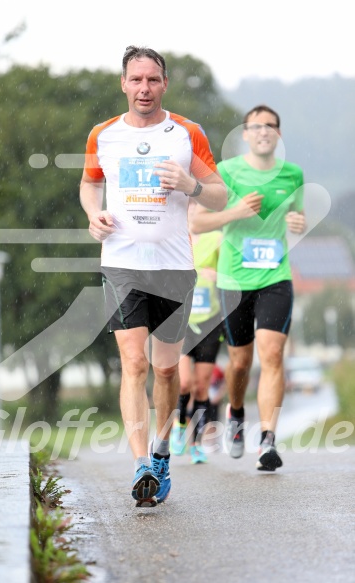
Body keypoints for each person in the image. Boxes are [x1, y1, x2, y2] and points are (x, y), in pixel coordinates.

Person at [79, 46, 227, 506]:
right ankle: (141, 463)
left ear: (165, 84)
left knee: (166, 371)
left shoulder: (186, 133)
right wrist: (92, 214)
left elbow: (221, 197)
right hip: (123, 263)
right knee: (134, 363)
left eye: (153, 80)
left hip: (174, 269)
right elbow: (90, 182)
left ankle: (162, 452)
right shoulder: (103, 135)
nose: (144, 88)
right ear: (123, 83)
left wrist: (192, 186)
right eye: (136, 79)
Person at [191, 104, 306, 471]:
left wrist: (297, 221)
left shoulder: (293, 175)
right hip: (234, 282)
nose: (263, 131)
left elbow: (295, 216)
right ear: (245, 134)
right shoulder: (226, 173)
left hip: (276, 277)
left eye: (270, 125)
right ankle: (236, 414)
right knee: (241, 362)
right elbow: (198, 223)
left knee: (272, 354)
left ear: (278, 134)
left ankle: (268, 440)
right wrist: (236, 212)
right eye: (255, 126)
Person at [170, 200, 225, 464]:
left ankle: (196, 443)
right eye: (190, 207)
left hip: (211, 321)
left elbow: (231, 274)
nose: (194, 212)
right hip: (183, 322)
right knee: (184, 383)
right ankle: (180, 426)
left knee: (202, 387)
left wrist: (217, 275)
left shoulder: (217, 238)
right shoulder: (177, 237)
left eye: (200, 207)